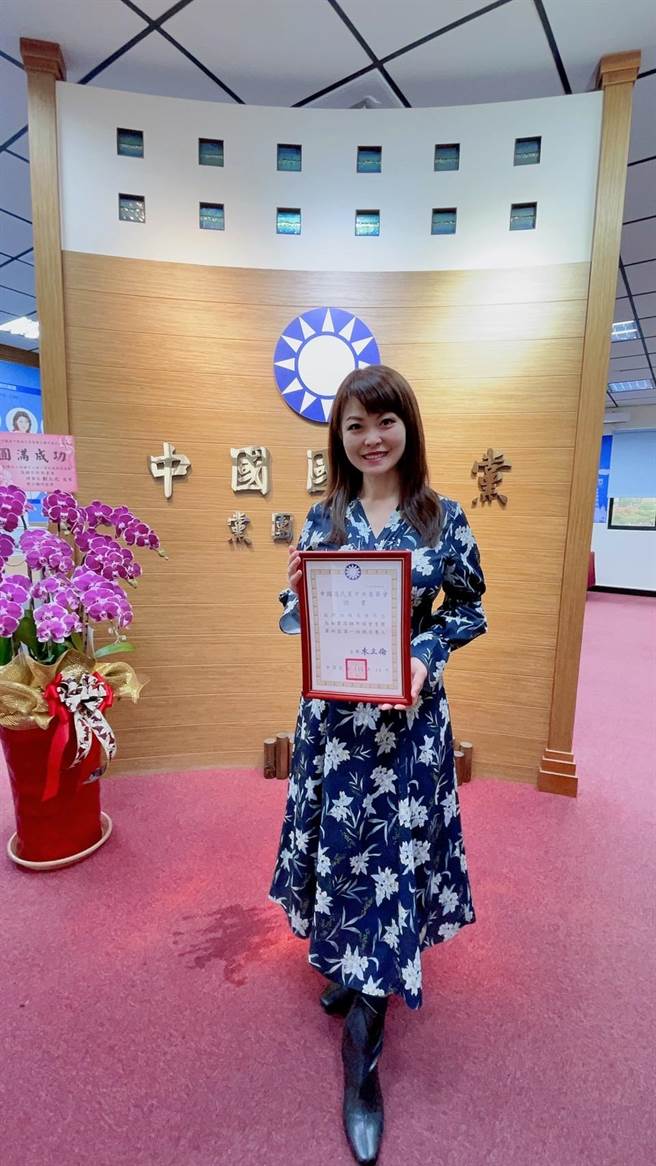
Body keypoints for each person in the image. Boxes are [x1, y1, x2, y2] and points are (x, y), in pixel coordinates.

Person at [268, 365, 487, 1165]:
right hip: (335, 724)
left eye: (384, 422)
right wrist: (296, 592)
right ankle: (351, 965)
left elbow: (470, 606)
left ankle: (363, 1058)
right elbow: (297, 613)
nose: (371, 438)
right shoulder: (325, 519)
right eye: (354, 425)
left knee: (389, 861)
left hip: (406, 730)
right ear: (340, 437)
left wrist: (427, 651)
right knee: (340, 849)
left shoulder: (442, 519)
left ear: (408, 428)